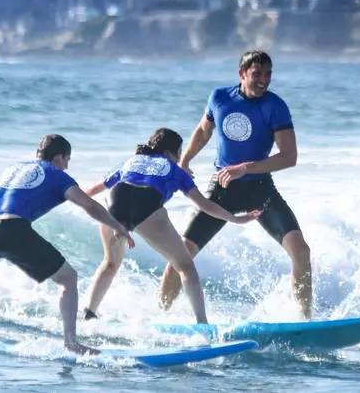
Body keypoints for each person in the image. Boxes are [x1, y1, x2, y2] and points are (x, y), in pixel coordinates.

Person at [0, 134, 135, 355]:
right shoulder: (57, 175)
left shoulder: (14, 168)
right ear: (60, 157)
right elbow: (89, 205)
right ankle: (71, 342)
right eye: (67, 160)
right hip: (13, 229)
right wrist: (118, 227)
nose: (67, 166)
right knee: (68, 278)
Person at [157, 50, 313, 320]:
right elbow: (204, 130)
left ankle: (305, 319)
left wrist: (246, 168)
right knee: (181, 255)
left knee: (301, 250)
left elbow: (290, 157)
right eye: (257, 74)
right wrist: (184, 161)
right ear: (241, 73)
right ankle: (159, 318)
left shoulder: (275, 106)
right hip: (222, 190)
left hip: (260, 189)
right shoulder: (219, 97)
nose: (264, 80)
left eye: (268, 74)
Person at [81, 128, 261, 324]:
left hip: (114, 204)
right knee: (185, 267)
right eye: (179, 152)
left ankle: (88, 314)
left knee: (110, 263)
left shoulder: (131, 161)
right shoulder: (175, 170)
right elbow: (205, 205)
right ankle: (202, 323)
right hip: (147, 205)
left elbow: (93, 189)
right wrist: (236, 219)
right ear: (170, 153)